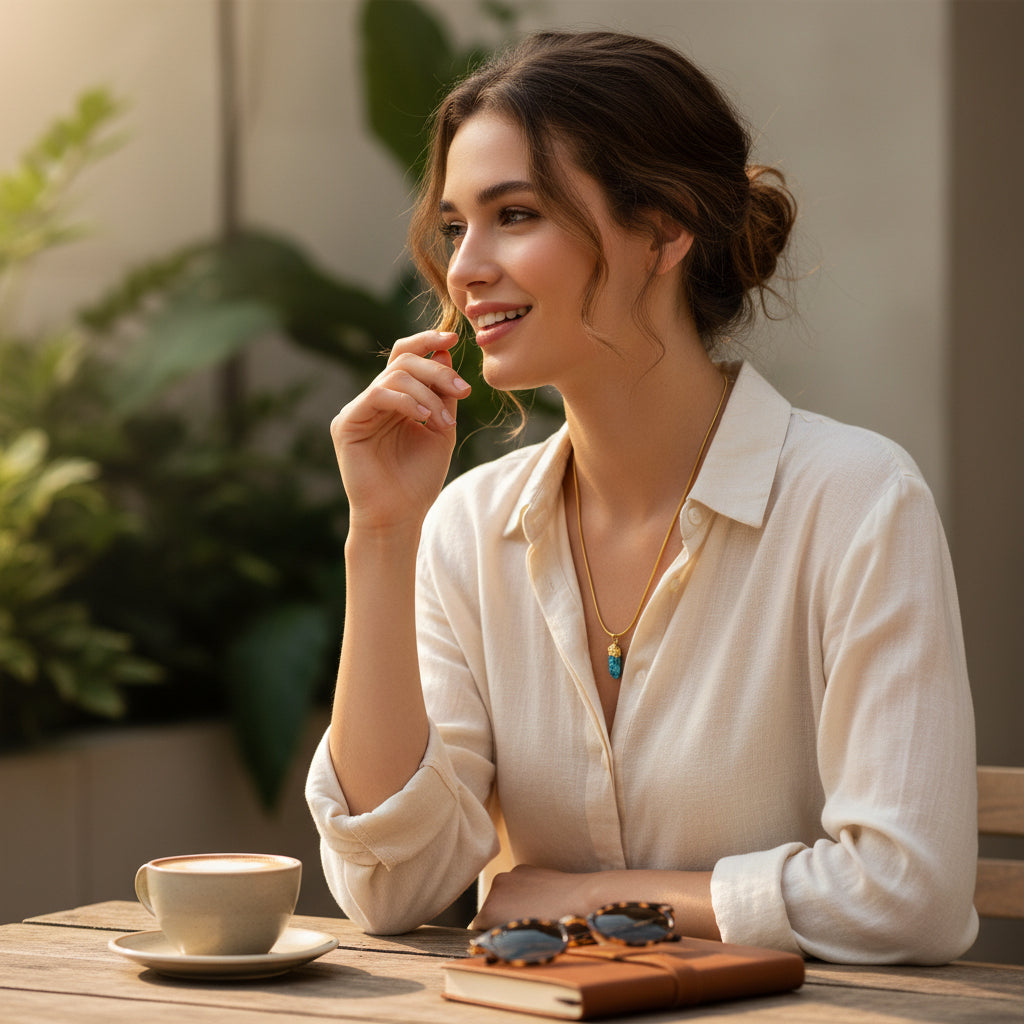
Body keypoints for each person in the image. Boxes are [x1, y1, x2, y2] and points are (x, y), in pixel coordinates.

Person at [305, 30, 978, 965]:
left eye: (517, 214)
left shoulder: (855, 502)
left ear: (663, 230)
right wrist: (381, 533)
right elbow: (389, 886)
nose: (463, 268)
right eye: (457, 225)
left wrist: (586, 897)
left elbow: (910, 896)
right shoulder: (467, 527)